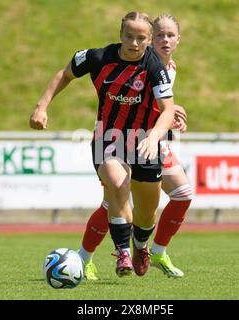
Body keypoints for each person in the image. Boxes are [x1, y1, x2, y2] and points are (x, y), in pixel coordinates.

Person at [30, 11, 175, 277]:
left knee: (146, 214)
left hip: (144, 142)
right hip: (108, 139)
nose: (134, 43)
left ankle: (140, 245)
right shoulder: (98, 57)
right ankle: (122, 253)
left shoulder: (155, 67)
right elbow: (65, 73)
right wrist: (42, 106)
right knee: (119, 184)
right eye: (129, 36)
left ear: (148, 39)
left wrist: (154, 137)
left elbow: (168, 109)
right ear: (120, 35)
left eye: (141, 38)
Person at [78, 14, 192, 280]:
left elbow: (159, 104)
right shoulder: (141, 61)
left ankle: (157, 251)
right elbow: (128, 102)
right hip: (124, 139)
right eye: (160, 35)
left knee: (182, 193)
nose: (164, 40)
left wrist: (173, 111)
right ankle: (84, 257)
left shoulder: (170, 68)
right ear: (151, 39)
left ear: (178, 39)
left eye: (170, 35)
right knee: (113, 201)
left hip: (153, 141)